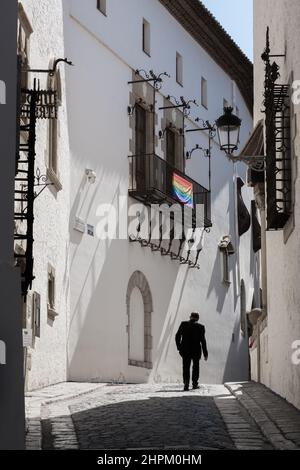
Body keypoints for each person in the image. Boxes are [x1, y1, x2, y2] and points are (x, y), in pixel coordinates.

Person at [175, 312, 208, 391]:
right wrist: (205, 353)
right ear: (198, 318)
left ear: (190, 317)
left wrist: (179, 347)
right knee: (195, 367)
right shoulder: (201, 327)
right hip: (196, 350)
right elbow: (203, 341)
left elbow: (177, 336)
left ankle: (186, 383)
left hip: (185, 350)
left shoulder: (183, 324)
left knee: (186, 367)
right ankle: (194, 383)